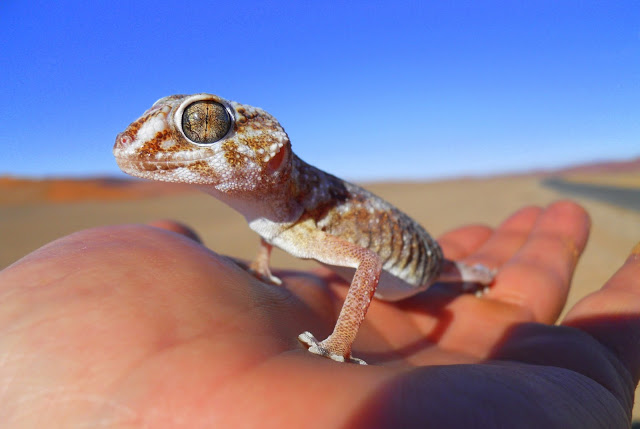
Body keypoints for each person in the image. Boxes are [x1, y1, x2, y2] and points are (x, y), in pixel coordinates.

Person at [0, 200, 637, 428]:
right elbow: (271, 229)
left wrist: (338, 342)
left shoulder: (307, 211)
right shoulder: (273, 214)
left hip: (424, 269)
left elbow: (364, 267)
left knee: (469, 274)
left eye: (200, 126)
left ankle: (464, 276)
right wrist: (261, 260)